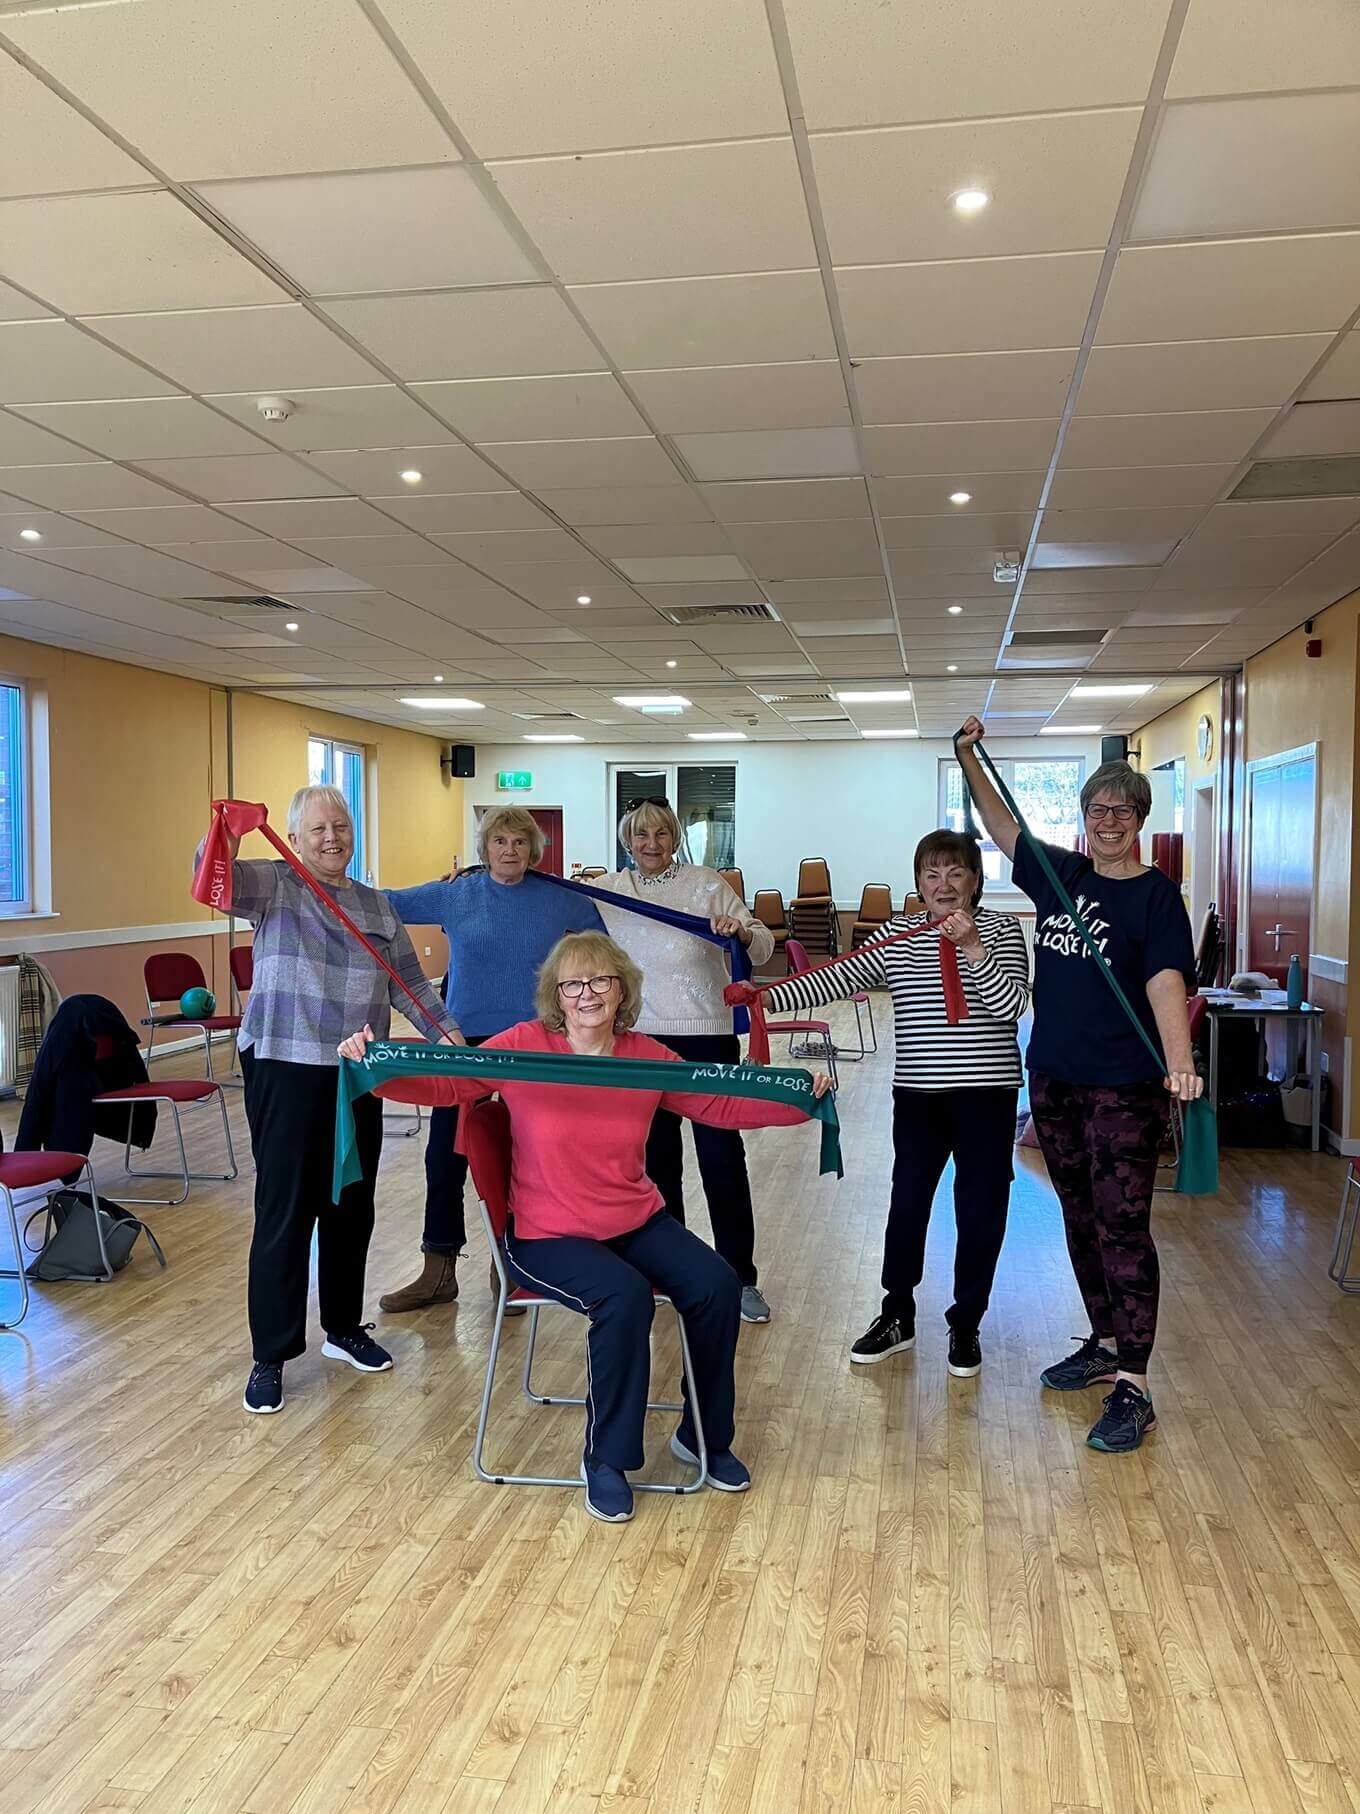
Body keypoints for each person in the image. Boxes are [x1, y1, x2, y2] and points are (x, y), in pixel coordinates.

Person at [339, 931, 831, 1523]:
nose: (588, 994)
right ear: (557, 994)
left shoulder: (645, 1057)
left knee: (716, 1284)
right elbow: (449, 1083)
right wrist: (374, 1066)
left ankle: (702, 1436)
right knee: (624, 1299)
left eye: (601, 981)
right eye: (573, 983)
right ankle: (606, 1459)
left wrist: (800, 1099)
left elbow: (718, 1104)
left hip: (633, 1218)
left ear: (622, 989)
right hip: (547, 1235)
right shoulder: (523, 1046)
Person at [954, 717, 1202, 1453]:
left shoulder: (1156, 898)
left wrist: (1179, 1057)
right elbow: (1000, 826)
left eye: (1122, 812)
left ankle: (1136, 1383)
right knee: (1079, 1216)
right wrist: (969, 754)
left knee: (1124, 1226)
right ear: (1084, 818)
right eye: (1098, 811)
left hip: (1125, 1085)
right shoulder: (1060, 873)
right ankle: (1103, 1340)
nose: (1109, 822)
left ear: (1140, 822)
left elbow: (1165, 980)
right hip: (1055, 1078)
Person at [205, 784, 461, 1417]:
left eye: (339, 827)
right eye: (316, 829)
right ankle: (271, 1354)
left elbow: (410, 986)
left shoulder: (375, 906)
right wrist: (229, 831)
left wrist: (451, 1037)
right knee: (286, 1210)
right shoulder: (273, 884)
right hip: (285, 1066)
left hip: (355, 1072)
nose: (330, 838)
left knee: (350, 1205)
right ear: (295, 839)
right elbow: (212, 884)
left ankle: (345, 1329)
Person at [756, 830, 1029, 1378]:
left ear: (975, 880)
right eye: (932, 875)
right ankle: (896, 1313)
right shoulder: (899, 934)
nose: (943, 885)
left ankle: (967, 1322)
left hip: (986, 1096)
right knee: (906, 1206)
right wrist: (761, 1000)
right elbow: (836, 976)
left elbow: (1012, 1007)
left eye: (956, 874)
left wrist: (973, 948)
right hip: (919, 1096)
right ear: (918, 882)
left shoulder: (1000, 929)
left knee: (981, 1212)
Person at [379, 805, 603, 1314]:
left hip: (533, 1042)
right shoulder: (456, 894)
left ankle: (515, 1266)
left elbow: (602, 943)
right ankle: (438, 1269)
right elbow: (384, 904)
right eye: (500, 841)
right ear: (484, 848)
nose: (509, 851)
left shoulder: (557, 899)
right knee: (445, 1155)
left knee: (526, 1155)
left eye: (520, 842)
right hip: (464, 1043)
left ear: (534, 850)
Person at [590, 800, 778, 1324]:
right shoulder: (609, 890)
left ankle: (740, 1276)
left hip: (709, 1039)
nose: (651, 843)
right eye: (641, 835)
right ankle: (670, 1273)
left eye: (661, 833)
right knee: (656, 1163)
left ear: (675, 836)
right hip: (639, 1042)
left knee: (721, 1158)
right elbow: (547, 905)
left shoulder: (705, 883)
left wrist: (738, 931)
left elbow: (761, 945)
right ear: (627, 840)